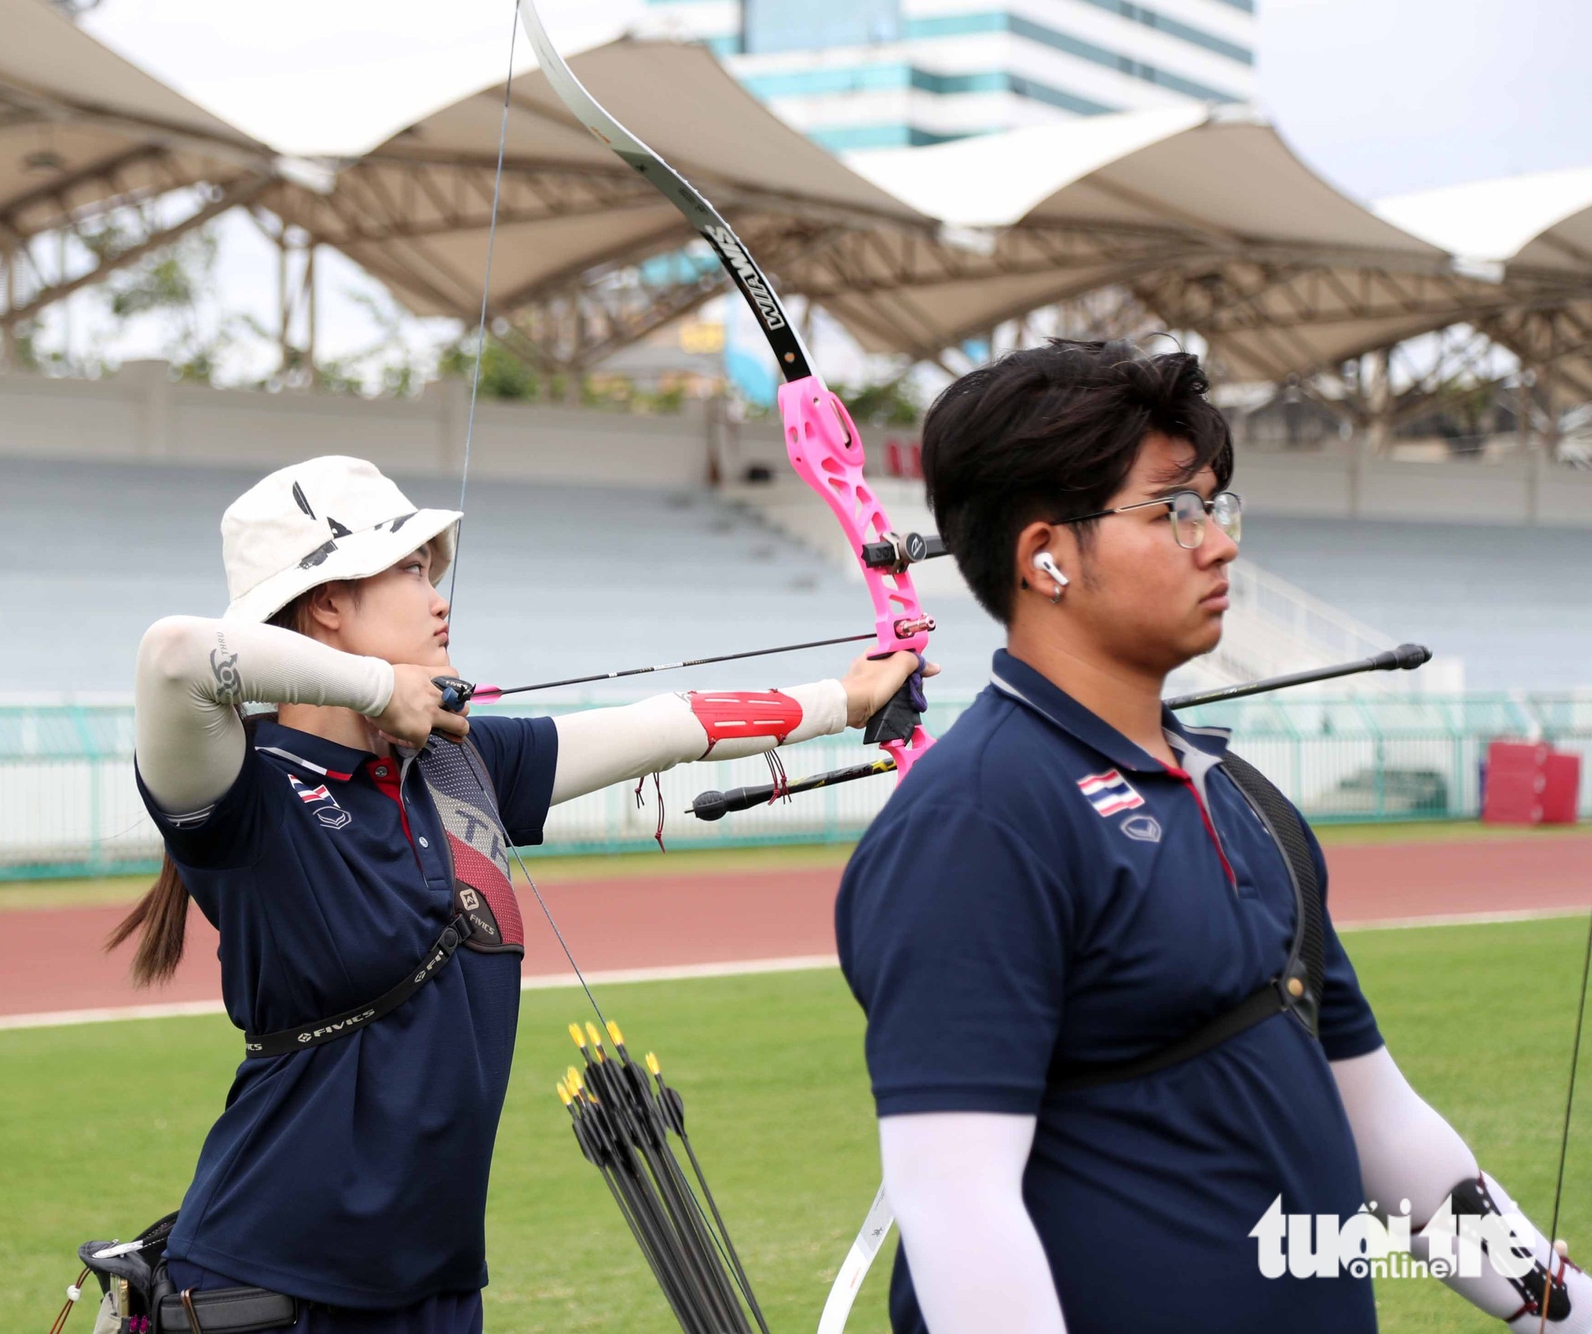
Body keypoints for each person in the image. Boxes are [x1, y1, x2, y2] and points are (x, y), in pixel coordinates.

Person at [835, 340, 1589, 1334]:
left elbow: (1384, 1129)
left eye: (1217, 504)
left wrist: (1558, 1303)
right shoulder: (977, 820)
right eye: (1174, 509)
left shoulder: (1243, 800)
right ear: (1044, 555)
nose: (1219, 541)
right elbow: (955, 1208)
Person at [115, 454, 923, 1333]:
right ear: (328, 604)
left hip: (437, 1279)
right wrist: (384, 689)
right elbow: (173, 655)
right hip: (275, 1282)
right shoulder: (247, 792)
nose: (438, 597)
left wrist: (846, 698)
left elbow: (667, 725)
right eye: (411, 570)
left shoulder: (461, 764)